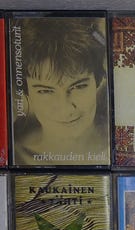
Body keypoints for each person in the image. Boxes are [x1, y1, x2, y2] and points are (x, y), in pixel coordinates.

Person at [12, 17, 109, 165]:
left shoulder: (116, 148)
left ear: (98, 80)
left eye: (78, 86)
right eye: (45, 91)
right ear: (26, 90)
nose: (65, 110)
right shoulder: (15, 153)